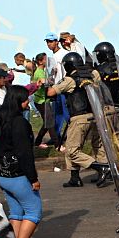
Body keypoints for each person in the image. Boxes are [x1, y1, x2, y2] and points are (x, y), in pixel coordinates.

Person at [46, 52, 109, 188]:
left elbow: (50, 93)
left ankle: (100, 168)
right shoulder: (93, 74)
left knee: (72, 151)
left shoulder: (70, 79)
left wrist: (46, 84)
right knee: (97, 145)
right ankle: (76, 178)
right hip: (94, 115)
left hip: (79, 118)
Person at [0, 86, 42, 238]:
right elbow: (24, 153)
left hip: (0, 173)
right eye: (26, 99)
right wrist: (33, 178)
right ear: (18, 101)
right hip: (16, 175)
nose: (28, 102)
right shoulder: (19, 122)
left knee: (17, 212)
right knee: (34, 211)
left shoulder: (0, 116)